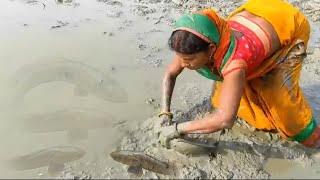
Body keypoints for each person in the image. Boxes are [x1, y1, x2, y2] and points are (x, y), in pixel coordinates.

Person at [157, 0, 320, 148]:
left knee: (280, 99)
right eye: (180, 57)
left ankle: (313, 138)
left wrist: (177, 129)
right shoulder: (198, 37)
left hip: (288, 24)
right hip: (259, 9)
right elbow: (170, 75)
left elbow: (226, 119)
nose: (183, 63)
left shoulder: (235, 61)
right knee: (226, 91)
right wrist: (165, 112)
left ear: (212, 49)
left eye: (189, 59)